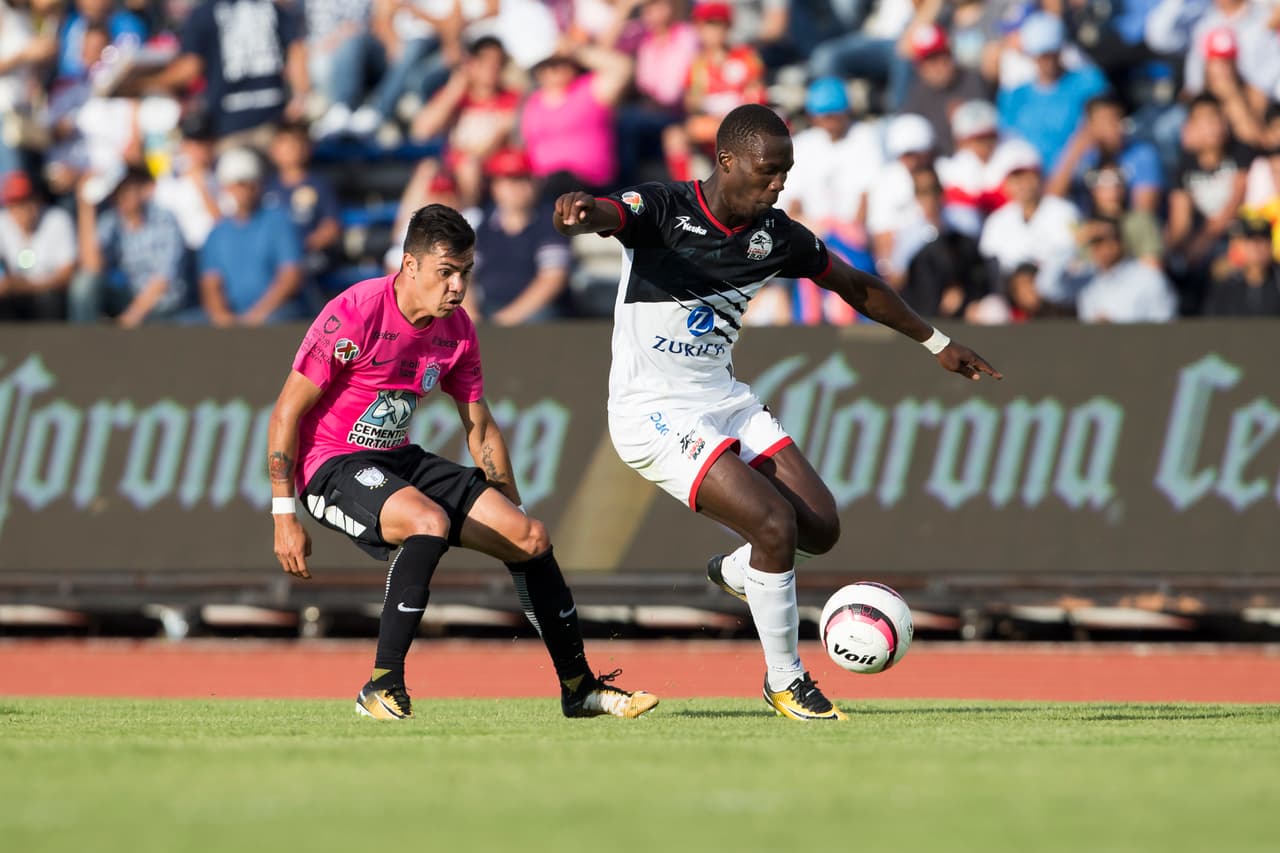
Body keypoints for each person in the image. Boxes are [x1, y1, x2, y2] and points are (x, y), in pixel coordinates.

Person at [551, 104, 1000, 720]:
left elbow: (855, 285)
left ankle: (742, 570)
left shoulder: (776, 236)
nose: (777, 183)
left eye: (785, 171)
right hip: (651, 411)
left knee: (819, 527)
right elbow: (606, 212)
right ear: (727, 160)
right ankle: (785, 680)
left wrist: (937, 343)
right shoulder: (662, 208)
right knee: (771, 522)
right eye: (767, 171)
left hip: (722, 399)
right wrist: (581, 212)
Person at [266, 203, 656, 721]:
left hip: (397, 458)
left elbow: (481, 427)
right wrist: (283, 514)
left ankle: (579, 689)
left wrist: (507, 500)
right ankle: (381, 685)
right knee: (426, 523)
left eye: (466, 273)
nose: (457, 286)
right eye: (446, 272)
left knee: (531, 537)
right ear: (410, 266)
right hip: (330, 465)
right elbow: (286, 412)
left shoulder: (458, 331)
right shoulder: (355, 312)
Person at [198, 147, 306, 325]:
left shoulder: (279, 222)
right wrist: (221, 317)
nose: (243, 191)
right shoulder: (217, 233)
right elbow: (211, 283)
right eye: (236, 184)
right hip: (235, 316)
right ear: (226, 188)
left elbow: (290, 275)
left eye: (248, 183)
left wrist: (257, 315)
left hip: (276, 314)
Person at [71, 165, 187, 325]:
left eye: (128, 189)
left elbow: (165, 277)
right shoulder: (111, 221)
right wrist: (86, 207)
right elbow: (91, 267)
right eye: (118, 192)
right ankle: (82, 343)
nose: (123, 196)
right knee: (84, 284)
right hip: (129, 298)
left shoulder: (164, 219)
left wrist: (131, 317)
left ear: (139, 189)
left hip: (163, 306)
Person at [468, 148, 571, 324]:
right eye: (509, 180)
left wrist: (505, 320)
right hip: (487, 308)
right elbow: (465, 274)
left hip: (536, 315)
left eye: (523, 178)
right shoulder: (483, 224)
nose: (517, 188)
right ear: (495, 186)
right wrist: (470, 314)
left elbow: (553, 278)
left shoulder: (551, 221)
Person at [262, 122, 341, 281]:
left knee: (293, 272)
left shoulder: (319, 186)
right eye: (286, 143)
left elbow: (331, 227)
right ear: (273, 151)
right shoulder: (265, 188)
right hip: (276, 258)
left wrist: (301, 245)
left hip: (309, 256)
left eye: (298, 143)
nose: (293, 148)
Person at [0, 170, 76, 321]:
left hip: (48, 294)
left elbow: (67, 274)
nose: (25, 208)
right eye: (18, 203)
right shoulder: (2, 223)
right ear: (9, 206)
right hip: (13, 297)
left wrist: (29, 287)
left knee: (49, 300)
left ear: (39, 200)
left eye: (29, 200)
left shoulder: (57, 219)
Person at [1074, 215, 1177, 323]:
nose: (1097, 247)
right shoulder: (1086, 283)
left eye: (1101, 240)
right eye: (1092, 242)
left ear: (1120, 241)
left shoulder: (1149, 279)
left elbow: (1165, 325)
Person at [1202, 216, 1280, 315]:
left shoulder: (1277, 282)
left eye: (1262, 241)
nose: (1257, 248)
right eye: (1252, 241)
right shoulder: (1226, 284)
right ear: (1243, 246)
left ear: (1271, 245)